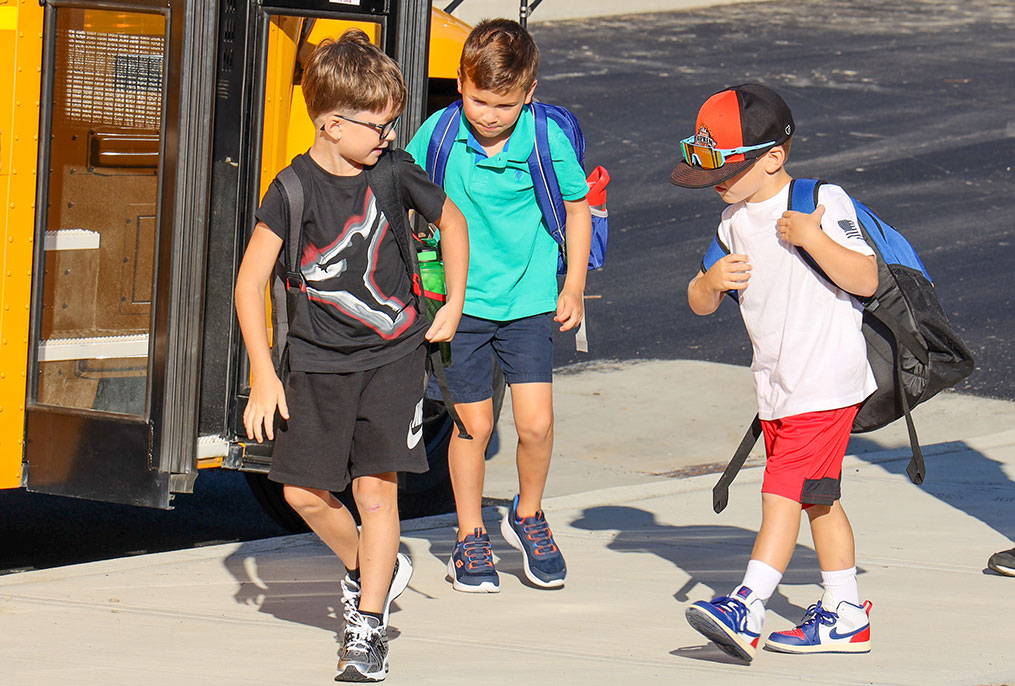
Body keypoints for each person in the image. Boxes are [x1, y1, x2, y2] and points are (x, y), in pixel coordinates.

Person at [234, 30, 468, 682]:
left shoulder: (394, 174)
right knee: (304, 492)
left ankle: (367, 629)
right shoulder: (291, 190)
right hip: (315, 363)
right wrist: (262, 373)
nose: (389, 136)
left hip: (392, 357)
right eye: (379, 125)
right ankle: (376, 569)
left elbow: (452, 222)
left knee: (374, 490)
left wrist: (450, 302)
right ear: (332, 124)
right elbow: (249, 282)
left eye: (393, 123)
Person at [671, 83, 878, 661]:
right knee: (818, 500)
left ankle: (746, 604)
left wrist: (812, 237)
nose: (717, 182)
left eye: (729, 169)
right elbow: (698, 299)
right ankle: (844, 614)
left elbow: (864, 279)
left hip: (825, 380)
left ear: (773, 158)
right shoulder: (733, 223)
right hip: (779, 387)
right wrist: (710, 284)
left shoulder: (819, 201)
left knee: (781, 491)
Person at [405, 19, 592, 593]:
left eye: (504, 104)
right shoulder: (439, 134)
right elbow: (399, 190)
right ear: (461, 82)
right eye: (479, 99)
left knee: (535, 425)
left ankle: (528, 515)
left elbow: (578, 208)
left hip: (530, 299)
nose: (488, 114)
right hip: (460, 306)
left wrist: (574, 287)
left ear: (528, 93)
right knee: (474, 425)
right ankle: (468, 536)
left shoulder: (543, 139)